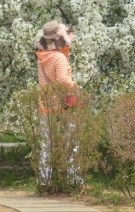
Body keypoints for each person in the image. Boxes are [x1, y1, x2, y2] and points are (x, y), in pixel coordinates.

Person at [35, 20, 80, 189]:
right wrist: (74, 86)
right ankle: (73, 179)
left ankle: (44, 180)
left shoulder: (43, 57)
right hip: (60, 105)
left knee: (47, 143)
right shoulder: (59, 58)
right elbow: (61, 80)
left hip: (45, 104)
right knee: (71, 142)